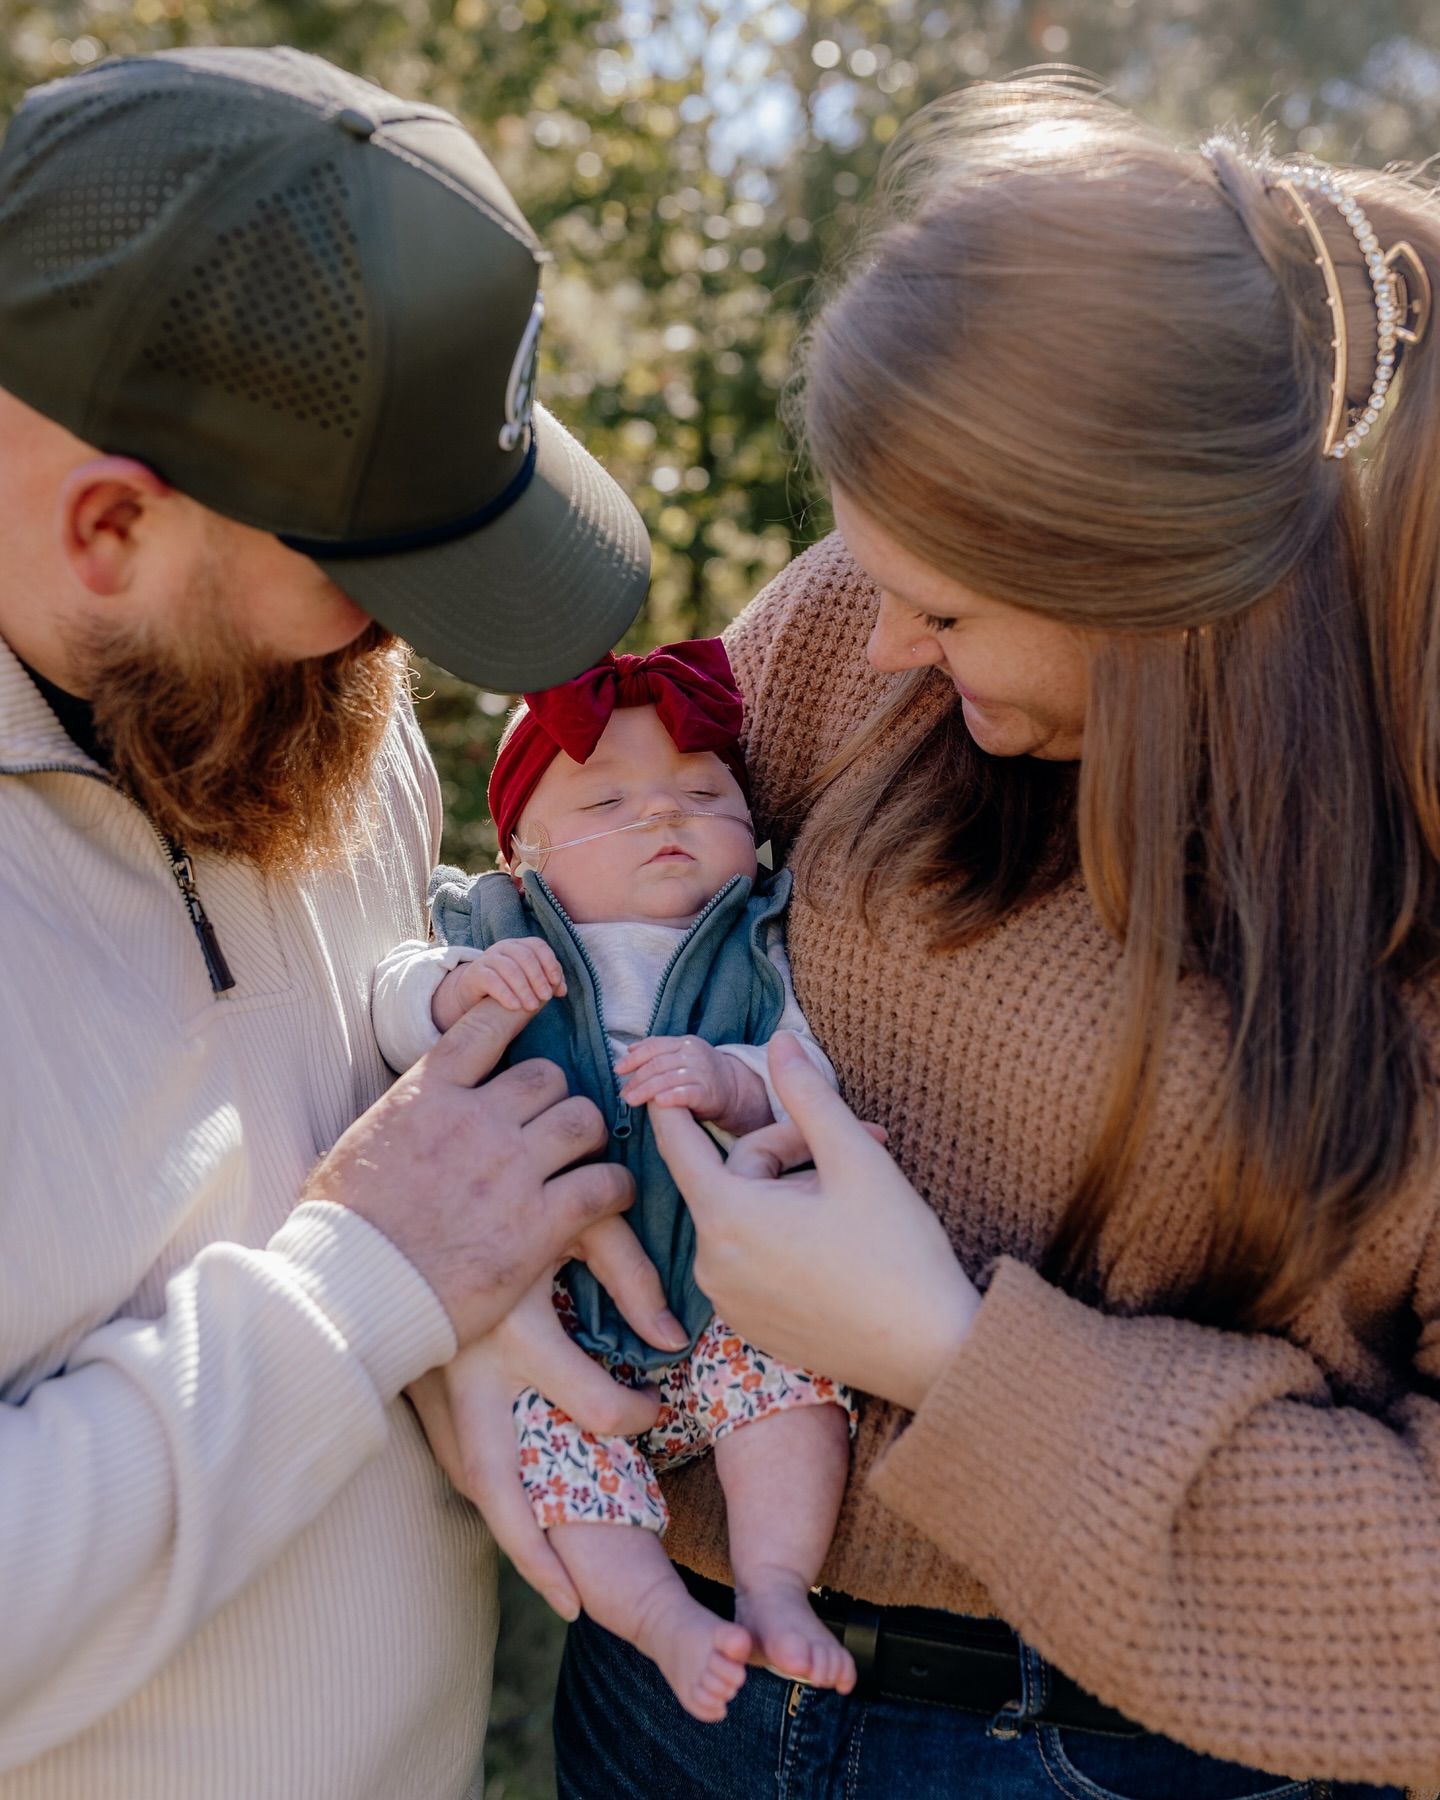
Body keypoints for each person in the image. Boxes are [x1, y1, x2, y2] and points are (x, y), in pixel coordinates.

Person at [536, 75, 1440, 1800]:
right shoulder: (845, 652)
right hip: (686, 1693)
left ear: (1163, 577)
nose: (868, 646)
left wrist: (955, 1365)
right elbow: (602, 940)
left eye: (943, 606)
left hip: (1130, 1759)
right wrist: (489, 1271)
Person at [0, 47, 665, 1799]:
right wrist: (366, 1284)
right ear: (111, 524)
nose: (398, 649)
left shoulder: (315, 731)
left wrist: (480, 1293)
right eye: (362, 580)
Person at [372, 640, 857, 1723]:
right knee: (547, 1450)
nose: (662, 819)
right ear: (521, 852)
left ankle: (776, 1586)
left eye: (700, 792)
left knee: (793, 1386)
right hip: (544, 1312)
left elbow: (805, 1072)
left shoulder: (758, 944)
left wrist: (733, 1085)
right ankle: (664, 1620)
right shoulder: (490, 932)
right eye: (610, 801)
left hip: (730, 1293)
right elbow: (385, 1003)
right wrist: (454, 994)